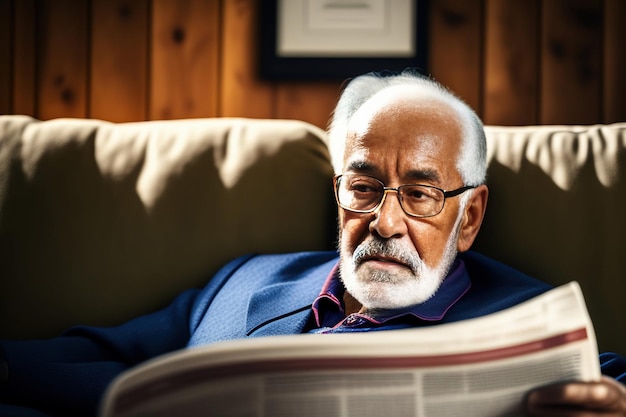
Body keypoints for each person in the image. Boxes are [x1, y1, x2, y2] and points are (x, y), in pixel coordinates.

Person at [1, 70, 625, 416]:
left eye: (419, 193)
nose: (385, 223)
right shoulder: (247, 279)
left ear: (468, 216)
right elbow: (101, 356)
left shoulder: (526, 319)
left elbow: (608, 384)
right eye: (364, 186)